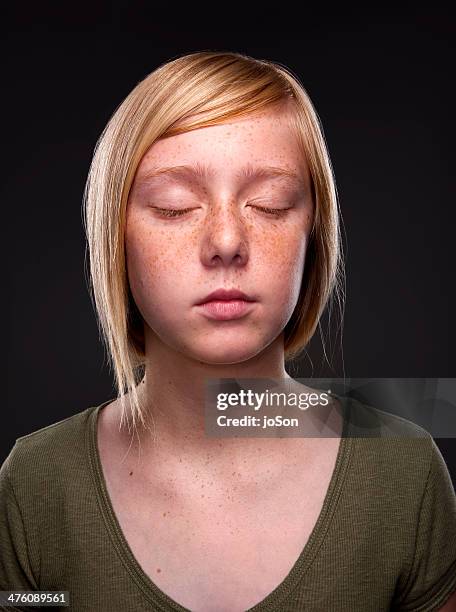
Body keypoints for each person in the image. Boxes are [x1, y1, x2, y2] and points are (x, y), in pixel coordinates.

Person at [1, 51, 455, 612]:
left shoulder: (403, 469)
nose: (225, 241)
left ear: (314, 230)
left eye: (269, 203)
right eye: (174, 206)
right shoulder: (35, 484)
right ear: (116, 235)